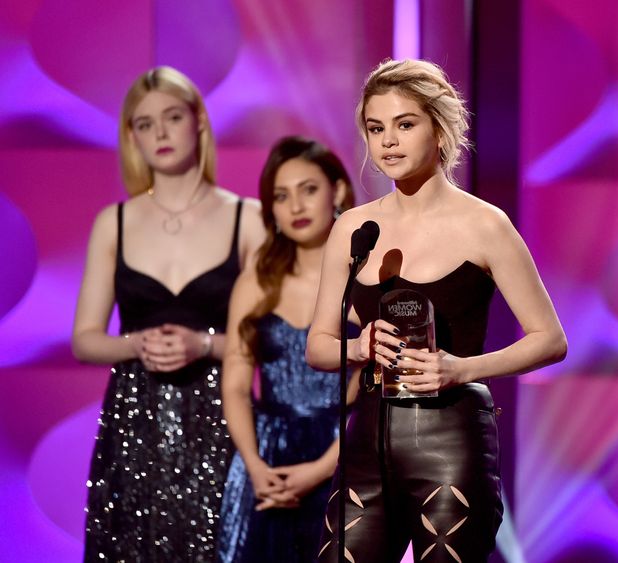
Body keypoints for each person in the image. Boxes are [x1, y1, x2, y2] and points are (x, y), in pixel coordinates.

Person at [306, 59, 568, 562]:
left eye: (405, 125)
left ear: (440, 129)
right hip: (368, 438)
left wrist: (461, 368)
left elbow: (549, 338)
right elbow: (318, 346)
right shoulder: (355, 229)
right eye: (375, 128)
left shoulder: (484, 225)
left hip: (453, 440)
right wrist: (358, 346)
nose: (388, 142)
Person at [72, 66, 265, 561]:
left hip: (224, 418)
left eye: (172, 117)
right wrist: (135, 344)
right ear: (131, 137)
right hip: (134, 426)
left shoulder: (248, 218)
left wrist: (205, 345)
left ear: (198, 121)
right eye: (144, 123)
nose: (159, 132)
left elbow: (275, 337)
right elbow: (85, 339)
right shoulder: (113, 222)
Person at [216, 136, 357, 562]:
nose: (295, 206)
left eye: (308, 190)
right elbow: (237, 385)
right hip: (266, 460)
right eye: (281, 196)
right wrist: (256, 468)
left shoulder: (365, 276)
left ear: (339, 191)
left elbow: (376, 389)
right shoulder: (257, 279)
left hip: (344, 452)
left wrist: (322, 469)